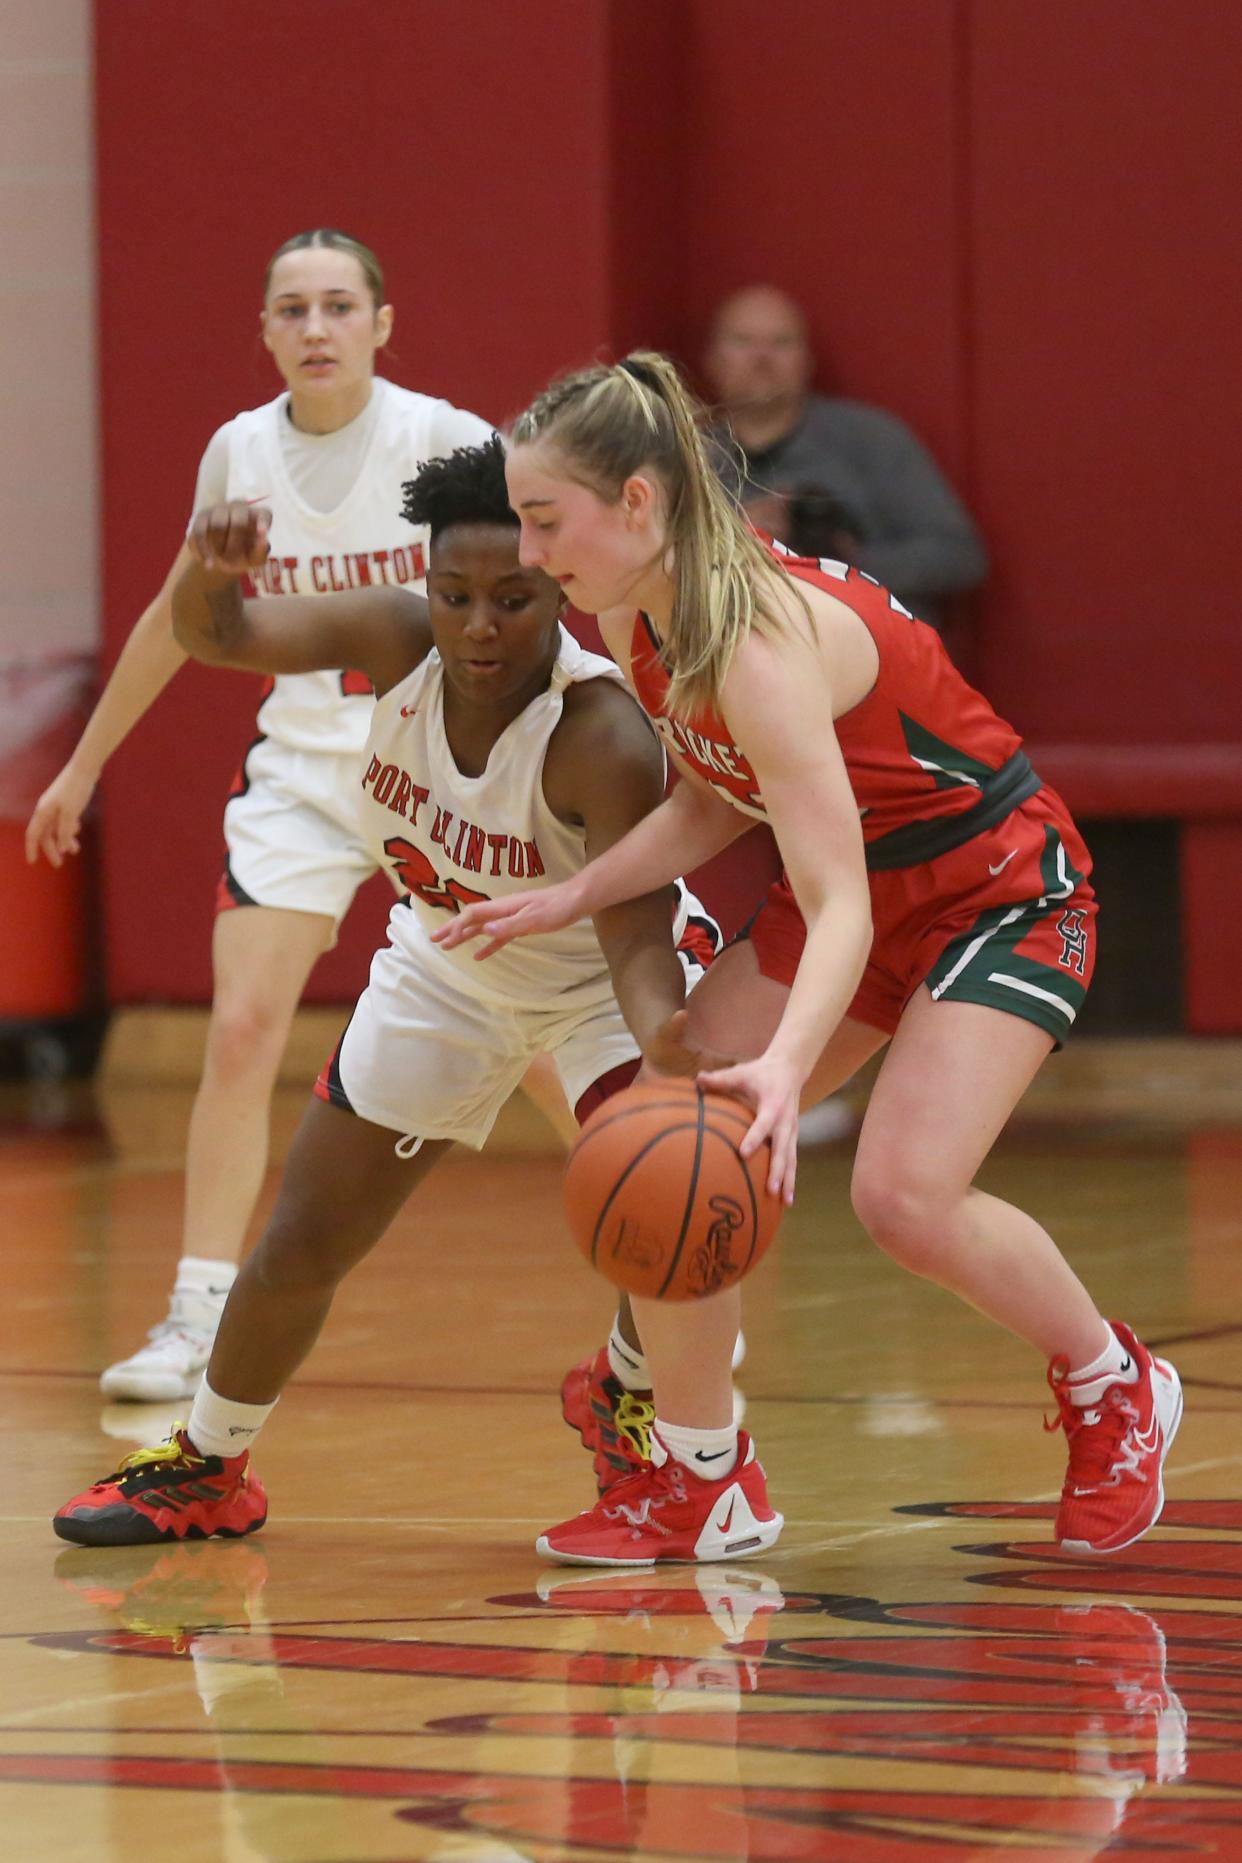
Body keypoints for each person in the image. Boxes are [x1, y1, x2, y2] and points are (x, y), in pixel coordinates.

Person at [434, 351, 1183, 1568]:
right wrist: (567, 891)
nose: (526, 553)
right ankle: (704, 1477)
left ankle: (1113, 1383)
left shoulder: (756, 642)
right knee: (681, 1130)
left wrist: (786, 1066)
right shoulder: (640, 609)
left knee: (902, 1195)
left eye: (541, 519)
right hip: (863, 889)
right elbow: (716, 802)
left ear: (636, 504)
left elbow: (837, 901)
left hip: (993, 887)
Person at [52, 438, 727, 1548]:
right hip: (447, 970)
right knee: (302, 1240)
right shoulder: (394, 636)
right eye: (455, 595)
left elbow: (637, 939)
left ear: (559, 588)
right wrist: (212, 575)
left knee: (666, 1206)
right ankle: (208, 1467)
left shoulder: (598, 731)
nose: (478, 626)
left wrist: (671, 1051)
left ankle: (627, 1393)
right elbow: (218, 636)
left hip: (599, 985)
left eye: (513, 599)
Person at [26, 229, 493, 1402]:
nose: (319, 328)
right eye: (295, 310)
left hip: (442, 768)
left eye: (341, 306)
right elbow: (180, 618)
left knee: (537, 1043)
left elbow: (536, 605)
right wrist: (82, 768)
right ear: (268, 332)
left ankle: (669, 1290)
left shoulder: (444, 441)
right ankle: (196, 1315)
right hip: (305, 775)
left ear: (383, 324)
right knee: (239, 1031)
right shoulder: (240, 451)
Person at [704, 284, 986, 622]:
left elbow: (959, 555)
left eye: (781, 342)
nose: (762, 358)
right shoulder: (688, 458)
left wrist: (836, 561)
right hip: (737, 654)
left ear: (807, 361)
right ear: (712, 361)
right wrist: (733, 538)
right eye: (743, 342)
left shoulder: (872, 440)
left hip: (869, 654)